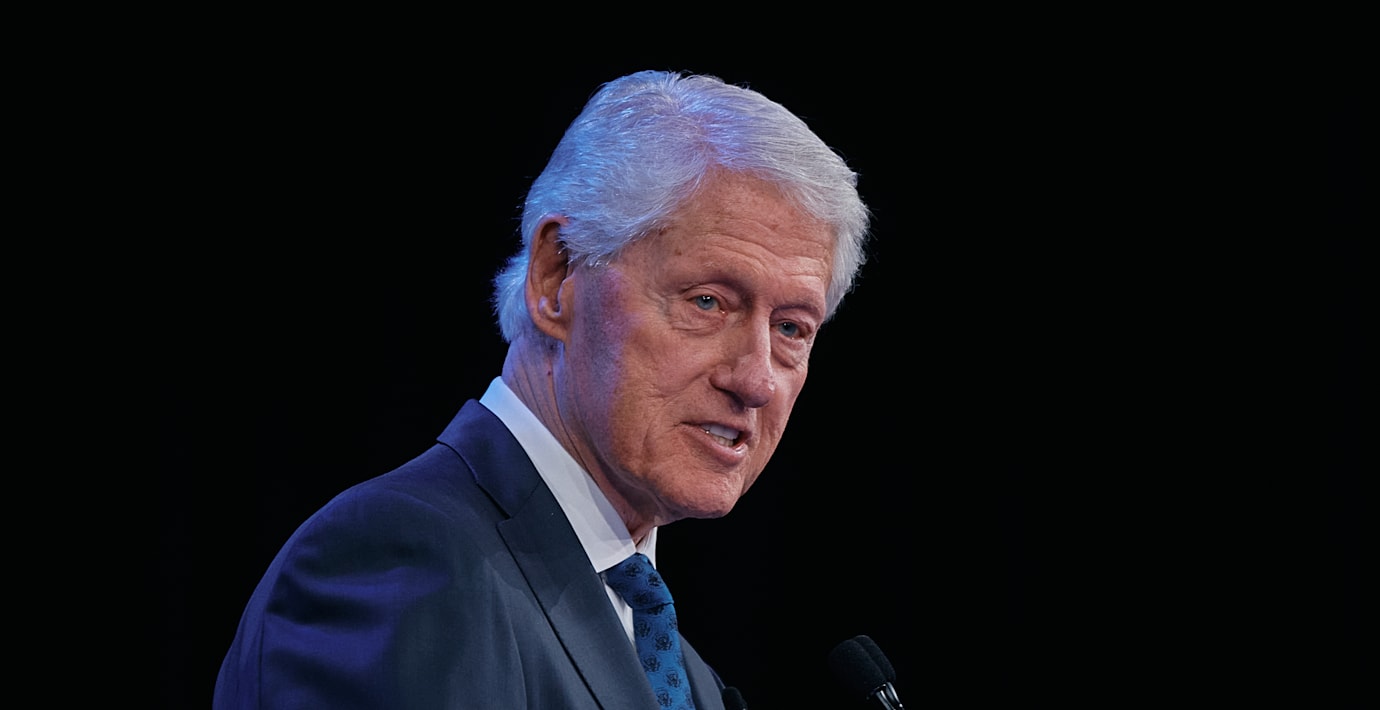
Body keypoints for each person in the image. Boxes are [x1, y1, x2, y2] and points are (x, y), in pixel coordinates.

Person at [213, 69, 872, 709]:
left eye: (791, 328)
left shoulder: (686, 677)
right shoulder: (402, 566)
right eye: (707, 301)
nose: (755, 379)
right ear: (557, 276)